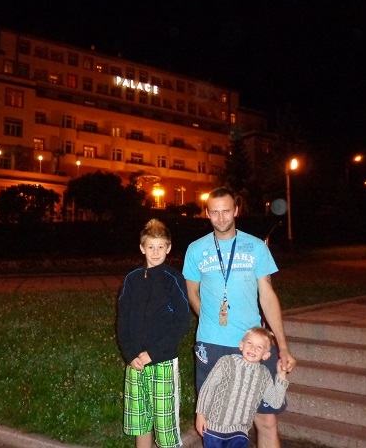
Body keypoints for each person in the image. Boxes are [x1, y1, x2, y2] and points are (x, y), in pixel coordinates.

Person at [183, 187, 296, 448]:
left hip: (253, 344)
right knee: (214, 421)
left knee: (266, 421)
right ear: (207, 213)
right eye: (214, 212)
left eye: (226, 211)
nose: (221, 217)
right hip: (212, 345)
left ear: (236, 210)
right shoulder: (196, 249)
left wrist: (282, 346)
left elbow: (267, 296)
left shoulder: (256, 247)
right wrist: (210, 319)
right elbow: (192, 293)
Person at [117, 218, 191, 448]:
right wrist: (130, 354)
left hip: (162, 362)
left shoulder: (173, 279)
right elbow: (123, 320)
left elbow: (182, 322)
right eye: (151, 246)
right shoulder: (132, 279)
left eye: (161, 247)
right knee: (140, 422)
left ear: (168, 248)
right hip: (136, 363)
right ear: (142, 248)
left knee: (165, 426)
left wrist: (153, 353)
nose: (156, 252)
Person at [196, 327, 289, 448]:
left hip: (240, 432)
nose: (253, 348)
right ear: (241, 345)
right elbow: (208, 388)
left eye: (259, 347)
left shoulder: (264, 375)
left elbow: (275, 402)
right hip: (214, 429)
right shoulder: (226, 362)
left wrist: (281, 376)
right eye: (249, 343)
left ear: (266, 355)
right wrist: (200, 414)